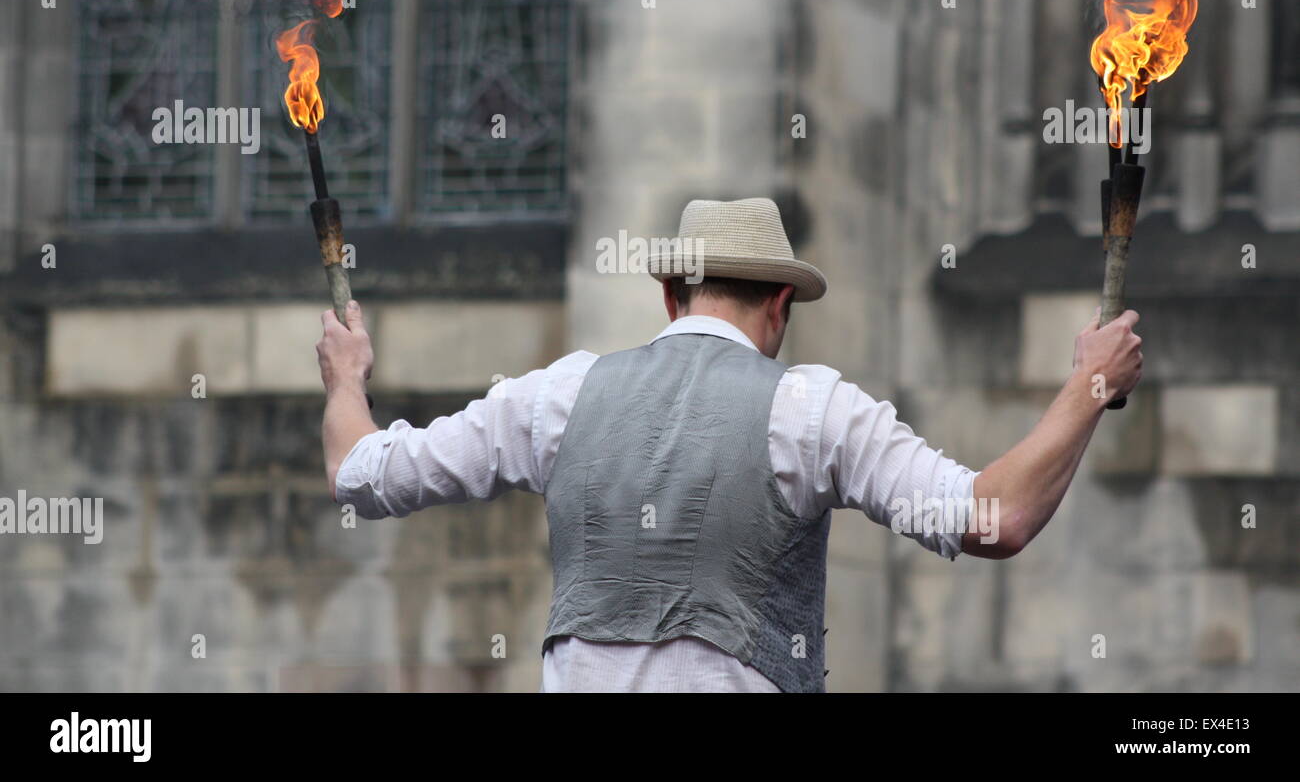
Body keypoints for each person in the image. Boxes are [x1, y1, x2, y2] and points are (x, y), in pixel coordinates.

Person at [315, 197, 1143, 692]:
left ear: (671, 292)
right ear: (781, 303)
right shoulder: (813, 411)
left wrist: (348, 378)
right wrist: (1089, 385)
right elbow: (991, 518)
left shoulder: (558, 395)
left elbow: (362, 474)